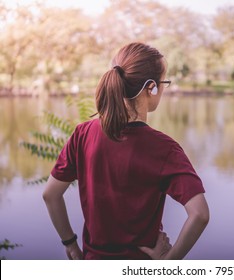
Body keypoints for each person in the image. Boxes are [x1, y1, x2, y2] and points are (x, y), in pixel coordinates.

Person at [42, 42, 209, 260]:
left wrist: (71, 245)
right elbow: (200, 214)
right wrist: (169, 263)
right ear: (152, 88)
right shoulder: (164, 149)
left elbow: (50, 195)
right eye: (164, 82)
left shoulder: (83, 133)